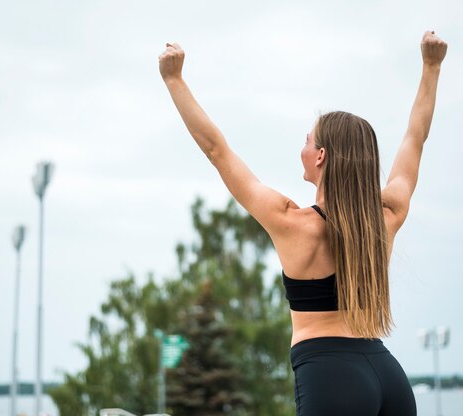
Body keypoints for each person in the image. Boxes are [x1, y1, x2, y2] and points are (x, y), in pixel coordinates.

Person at [159, 30, 447, 416]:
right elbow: (416, 137)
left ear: (321, 157)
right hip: (388, 376)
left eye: (306, 141)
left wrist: (174, 80)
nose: (302, 148)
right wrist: (431, 67)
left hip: (331, 377)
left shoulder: (292, 222)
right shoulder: (385, 217)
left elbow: (217, 149)